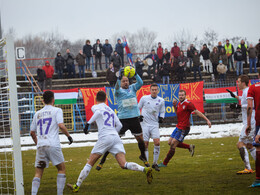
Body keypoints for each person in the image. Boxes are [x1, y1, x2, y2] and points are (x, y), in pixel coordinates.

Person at [67, 91, 153, 192]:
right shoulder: (110, 110)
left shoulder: (95, 107)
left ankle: (76, 186)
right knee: (123, 164)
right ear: (105, 99)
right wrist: (113, 133)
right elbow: (120, 126)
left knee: (90, 162)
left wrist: (87, 124)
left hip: (105, 137)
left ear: (96, 99)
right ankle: (145, 169)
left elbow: (98, 113)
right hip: (115, 137)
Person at [96, 72, 149, 170]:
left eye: (127, 81)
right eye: (123, 81)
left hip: (134, 118)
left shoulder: (133, 88)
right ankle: (102, 160)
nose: (125, 82)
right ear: (121, 83)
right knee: (112, 139)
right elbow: (116, 87)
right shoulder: (118, 91)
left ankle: (143, 156)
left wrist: (136, 74)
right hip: (123, 120)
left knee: (140, 139)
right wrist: (118, 79)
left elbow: (141, 83)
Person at [30, 91, 73, 195]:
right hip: (53, 144)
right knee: (61, 169)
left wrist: (38, 143)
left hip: (41, 145)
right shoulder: (57, 110)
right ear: (53, 99)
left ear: (43, 101)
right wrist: (69, 136)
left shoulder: (37, 113)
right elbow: (61, 125)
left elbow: (32, 132)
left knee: (38, 172)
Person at [158, 90, 211, 167]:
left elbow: (197, 112)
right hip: (178, 126)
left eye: (182, 95)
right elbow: (177, 114)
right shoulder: (179, 103)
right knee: (169, 142)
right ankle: (189, 147)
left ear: (185, 96)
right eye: (179, 95)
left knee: (173, 144)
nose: (181, 96)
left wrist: (207, 120)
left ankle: (164, 163)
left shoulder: (188, 104)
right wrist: (174, 106)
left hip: (184, 128)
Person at [227, 75, 256, 174]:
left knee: (240, 144)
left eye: (238, 81)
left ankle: (248, 168)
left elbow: (250, 105)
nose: (237, 83)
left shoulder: (247, 91)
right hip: (251, 121)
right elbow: (245, 101)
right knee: (250, 145)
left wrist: (238, 106)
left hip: (250, 122)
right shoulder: (245, 92)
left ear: (243, 83)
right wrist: (235, 97)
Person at [138, 84, 165, 171]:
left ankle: (155, 163)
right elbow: (138, 108)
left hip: (154, 124)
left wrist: (161, 117)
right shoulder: (144, 98)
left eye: (155, 90)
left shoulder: (161, 100)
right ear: (150, 90)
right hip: (145, 124)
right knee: (145, 144)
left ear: (158, 91)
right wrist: (139, 116)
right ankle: (147, 164)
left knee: (157, 142)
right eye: (152, 89)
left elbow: (162, 111)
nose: (154, 91)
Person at [246, 69, 260, 187]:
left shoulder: (253, 87)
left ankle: (258, 179)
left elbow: (250, 107)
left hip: (259, 120)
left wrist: (249, 124)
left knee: (258, 149)